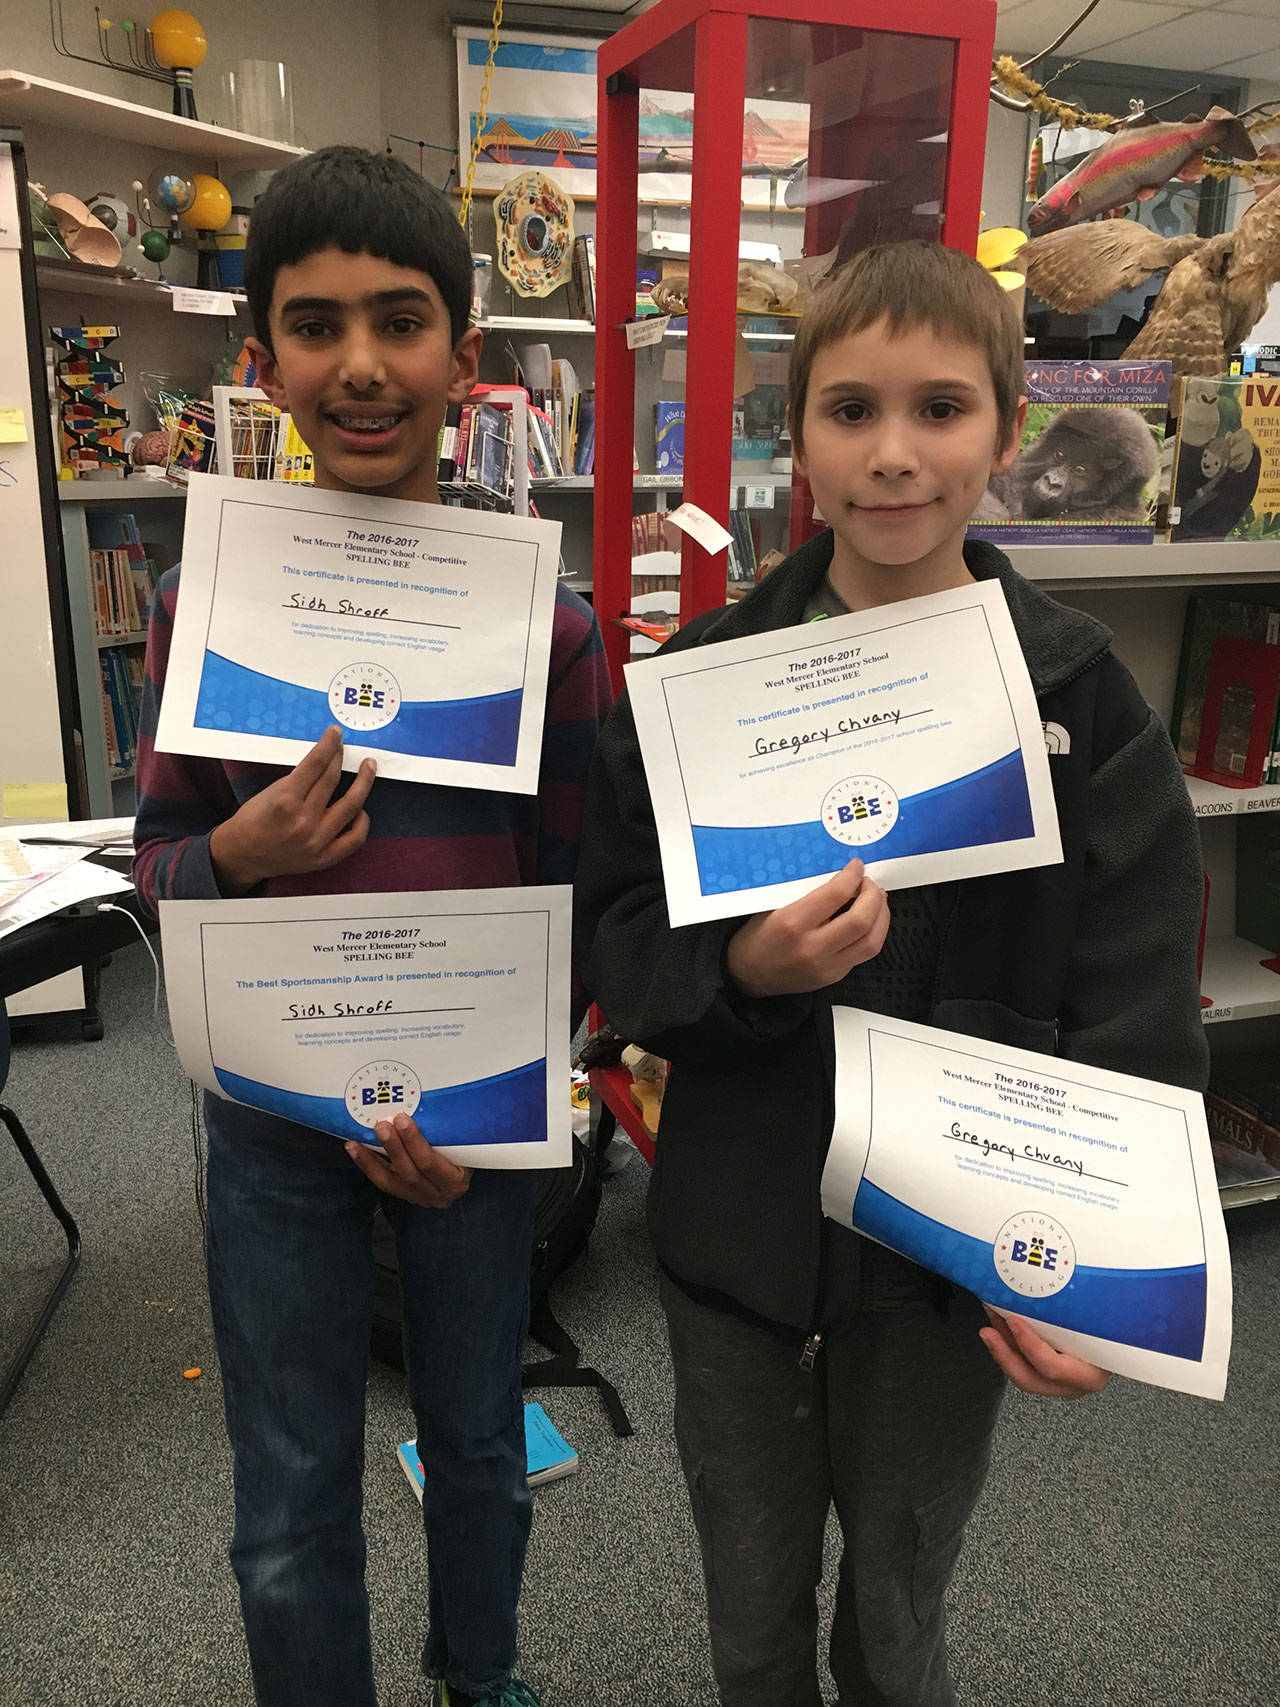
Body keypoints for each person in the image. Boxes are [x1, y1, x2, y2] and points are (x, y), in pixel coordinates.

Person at [573, 240, 1209, 1707]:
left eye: (941, 409)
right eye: (850, 411)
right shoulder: (699, 688)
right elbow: (618, 942)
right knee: (749, 1607)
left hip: (943, 1282)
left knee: (903, 1610)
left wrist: (1101, 1275)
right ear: (796, 437)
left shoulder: (1078, 700)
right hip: (736, 1250)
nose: (896, 455)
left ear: (1003, 432)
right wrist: (739, 962)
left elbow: (1135, 1012)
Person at [133, 146, 612, 1707]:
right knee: (284, 1493)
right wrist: (239, 857)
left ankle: (483, 1673)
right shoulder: (214, 594)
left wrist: (516, 1097)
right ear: (260, 361)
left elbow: (579, 888)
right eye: (316, 326)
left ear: (464, 362)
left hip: (471, 1135)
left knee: (479, 1440)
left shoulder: (546, 621)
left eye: (399, 322)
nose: (360, 363)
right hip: (273, 1126)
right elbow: (158, 859)